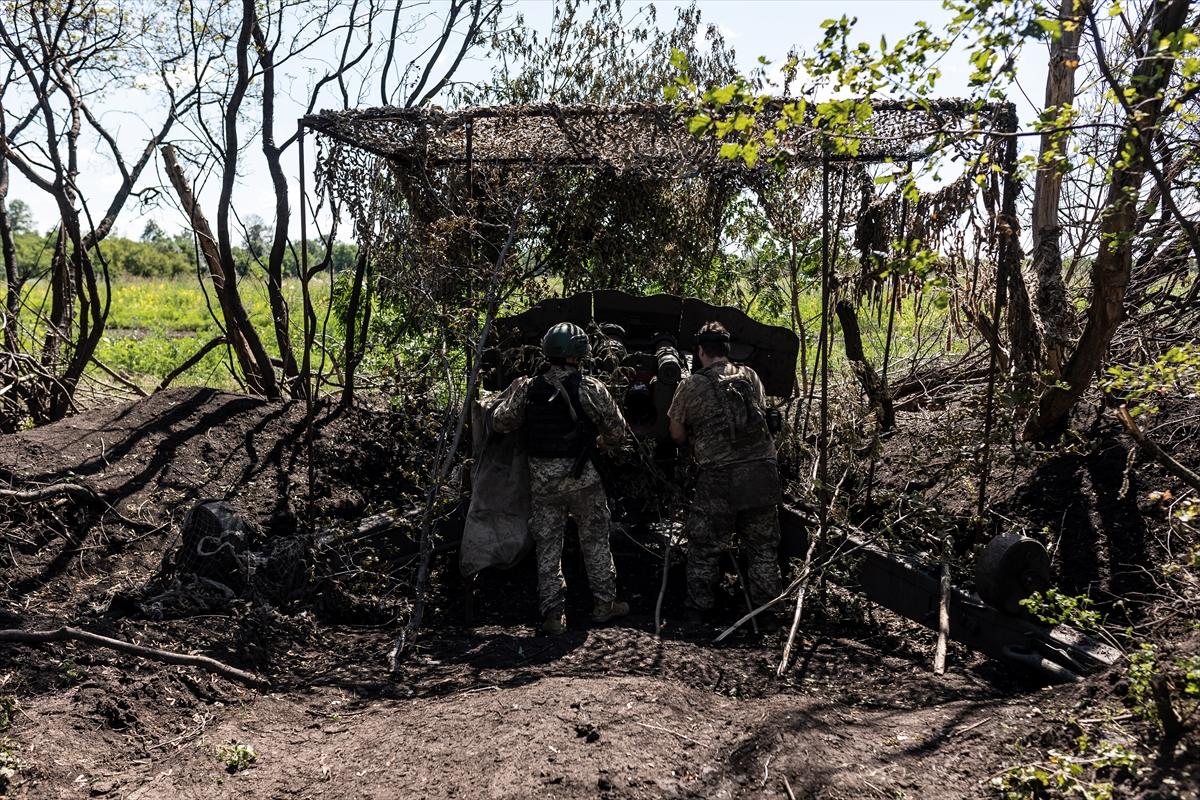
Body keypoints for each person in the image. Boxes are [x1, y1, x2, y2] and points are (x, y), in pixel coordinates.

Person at [490, 322, 631, 634]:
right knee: (594, 540)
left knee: (548, 547)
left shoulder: (528, 388)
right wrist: (601, 444)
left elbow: (500, 422)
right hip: (585, 481)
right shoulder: (591, 388)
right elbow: (618, 433)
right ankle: (604, 604)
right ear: (578, 354)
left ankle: (554, 614)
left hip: (543, 484)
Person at [668, 321, 783, 626]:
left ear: (701, 351)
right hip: (761, 473)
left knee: (705, 546)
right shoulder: (750, 376)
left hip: (719, 478)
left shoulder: (691, 385)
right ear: (727, 351)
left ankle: (699, 609)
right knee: (762, 547)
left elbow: (676, 433)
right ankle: (767, 611)